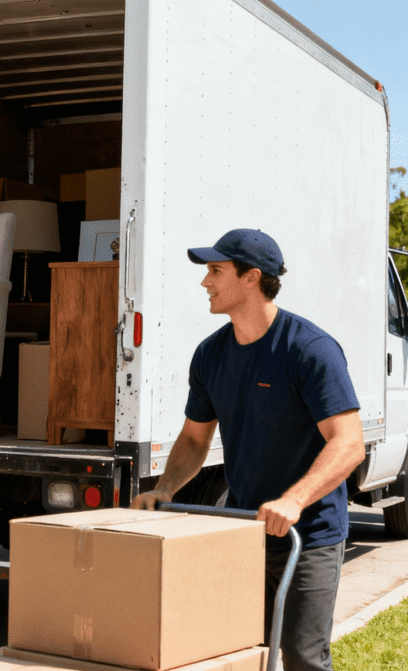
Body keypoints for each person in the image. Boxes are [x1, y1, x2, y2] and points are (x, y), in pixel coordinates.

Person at [131, 228, 365, 671]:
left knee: (302, 655)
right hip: (245, 527)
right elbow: (195, 439)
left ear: (251, 278)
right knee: (235, 653)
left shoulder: (309, 350)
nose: (205, 282)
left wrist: (294, 501)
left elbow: (349, 443)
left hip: (308, 534)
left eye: (216, 270)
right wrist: (165, 489)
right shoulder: (210, 355)